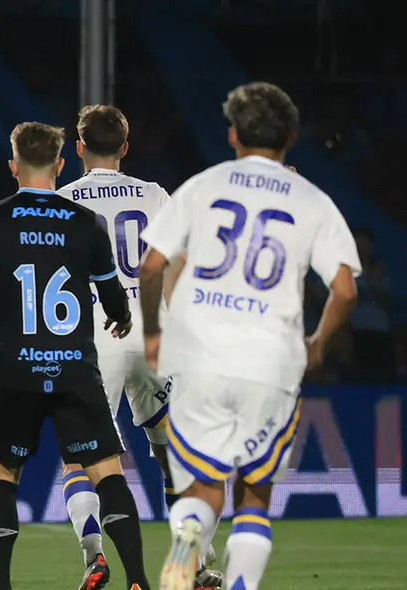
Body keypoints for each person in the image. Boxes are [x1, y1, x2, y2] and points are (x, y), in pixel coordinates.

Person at [137, 82, 360, 590]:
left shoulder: (202, 186)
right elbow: (345, 291)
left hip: (199, 356)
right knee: (254, 495)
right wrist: (318, 345)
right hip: (270, 360)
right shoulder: (311, 198)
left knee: (203, 484)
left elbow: (152, 267)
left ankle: (190, 532)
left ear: (233, 135)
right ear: (293, 137)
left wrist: (153, 335)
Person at [0, 121, 150, 590]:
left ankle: (1, 586)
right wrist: (122, 317)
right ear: (61, 164)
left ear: (13, 166)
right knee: (106, 470)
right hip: (73, 366)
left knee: (4, 473)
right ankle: (138, 581)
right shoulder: (85, 221)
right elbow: (112, 296)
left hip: (15, 366)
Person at [57, 105, 222, 589]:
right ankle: (199, 562)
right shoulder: (154, 195)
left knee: (80, 458)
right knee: (174, 454)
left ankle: (94, 557)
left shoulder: (62, 202)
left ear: (79, 148)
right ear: (125, 148)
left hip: (94, 338)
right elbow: (173, 268)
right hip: (154, 333)